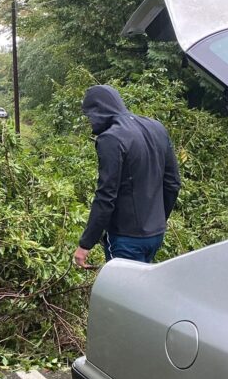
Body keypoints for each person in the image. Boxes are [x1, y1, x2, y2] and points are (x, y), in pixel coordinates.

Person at [73, 85, 181, 268]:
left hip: (126, 238)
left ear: (99, 110)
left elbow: (106, 196)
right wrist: (158, 220)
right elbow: (173, 183)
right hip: (155, 234)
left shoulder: (111, 139)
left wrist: (85, 244)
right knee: (139, 288)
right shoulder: (157, 128)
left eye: (89, 116)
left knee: (123, 292)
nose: (90, 122)